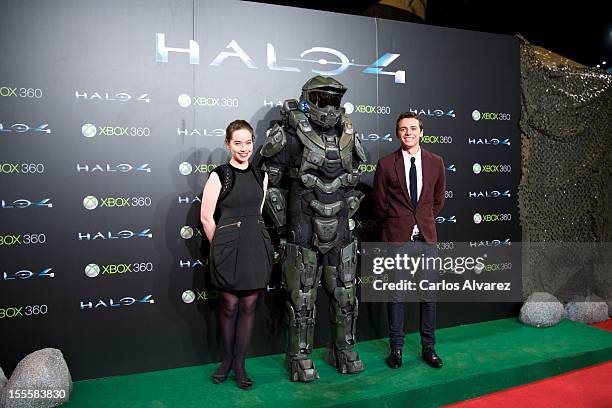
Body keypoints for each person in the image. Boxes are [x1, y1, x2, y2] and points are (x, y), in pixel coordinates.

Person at [255, 75, 367, 382]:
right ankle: (299, 355)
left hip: (340, 222)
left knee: (345, 293)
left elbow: (355, 176)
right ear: (308, 98)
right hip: (302, 222)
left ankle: (342, 349)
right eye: (322, 99)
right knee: (302, 295)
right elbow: (271, 184)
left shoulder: (347, 133)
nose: (329, 107)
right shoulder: (288, 133)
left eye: (334, 100)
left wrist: (349, 204)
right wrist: (281, 230)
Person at [200, 119, 273, 390]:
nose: (244, 148)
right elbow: (207, 217)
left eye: (248, 142)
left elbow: (259, 211)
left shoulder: (260, 175)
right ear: (228, 144)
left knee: (249, 306)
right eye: (238, 143)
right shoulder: (219, 174)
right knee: (229, 306)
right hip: (227, 248)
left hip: (255, 245)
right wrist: (219, 249)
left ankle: (240, 364)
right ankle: (226, 360)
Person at [373, 112, 446, 370]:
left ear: (421, 132)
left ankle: (429, 347)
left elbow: (438, 201)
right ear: (397, 133)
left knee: (429, 297)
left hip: (426, 239)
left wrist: (421, 221)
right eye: (403, 129)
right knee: (397, 296)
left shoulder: (436, 162)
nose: (408, 133)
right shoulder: (385, 164)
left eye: (413, 128)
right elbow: (379, 205)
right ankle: (397, 349)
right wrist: (401, 222)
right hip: (397, 240)